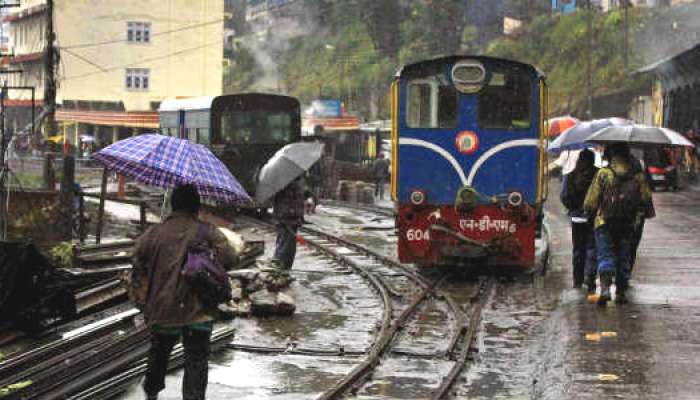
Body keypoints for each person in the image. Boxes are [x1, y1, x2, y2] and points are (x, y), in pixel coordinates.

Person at [131, 184, 238, 400]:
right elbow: (230, 258)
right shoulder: (207, 231)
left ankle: (151, 394)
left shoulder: (152, 234)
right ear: (197, 207)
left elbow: (137, 268)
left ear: (172, 205)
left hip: (162, 312)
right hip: (198, 312)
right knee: (196, 361)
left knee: (158, 356)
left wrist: (142, 303)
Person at [584, 143, 651, 306]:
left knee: (605, 254)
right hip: (627, 223)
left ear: (610, 155)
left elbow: (590, 202)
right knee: (623, 257)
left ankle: (605, 290)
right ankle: (621, 293)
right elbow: (646, 200)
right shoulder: (638, 176)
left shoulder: (604, 174)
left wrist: (590, 214)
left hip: (604, 222)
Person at [560, 149, 598, 291]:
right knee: (592, 248)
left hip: (577, 218)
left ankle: (577, 280)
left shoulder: (570, 176)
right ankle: (590, 277)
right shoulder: (598, 174)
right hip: (593, 217)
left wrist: (573, 207)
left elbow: (564, 196)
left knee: (578, 249)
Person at [273, 177, 305, 270]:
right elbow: (284, 203)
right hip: (287, 220)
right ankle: (279, 268)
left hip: (292, 220)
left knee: (289, 247)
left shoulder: (295, 184)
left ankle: (284, 267)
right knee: (285, 246)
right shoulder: (284, 185)